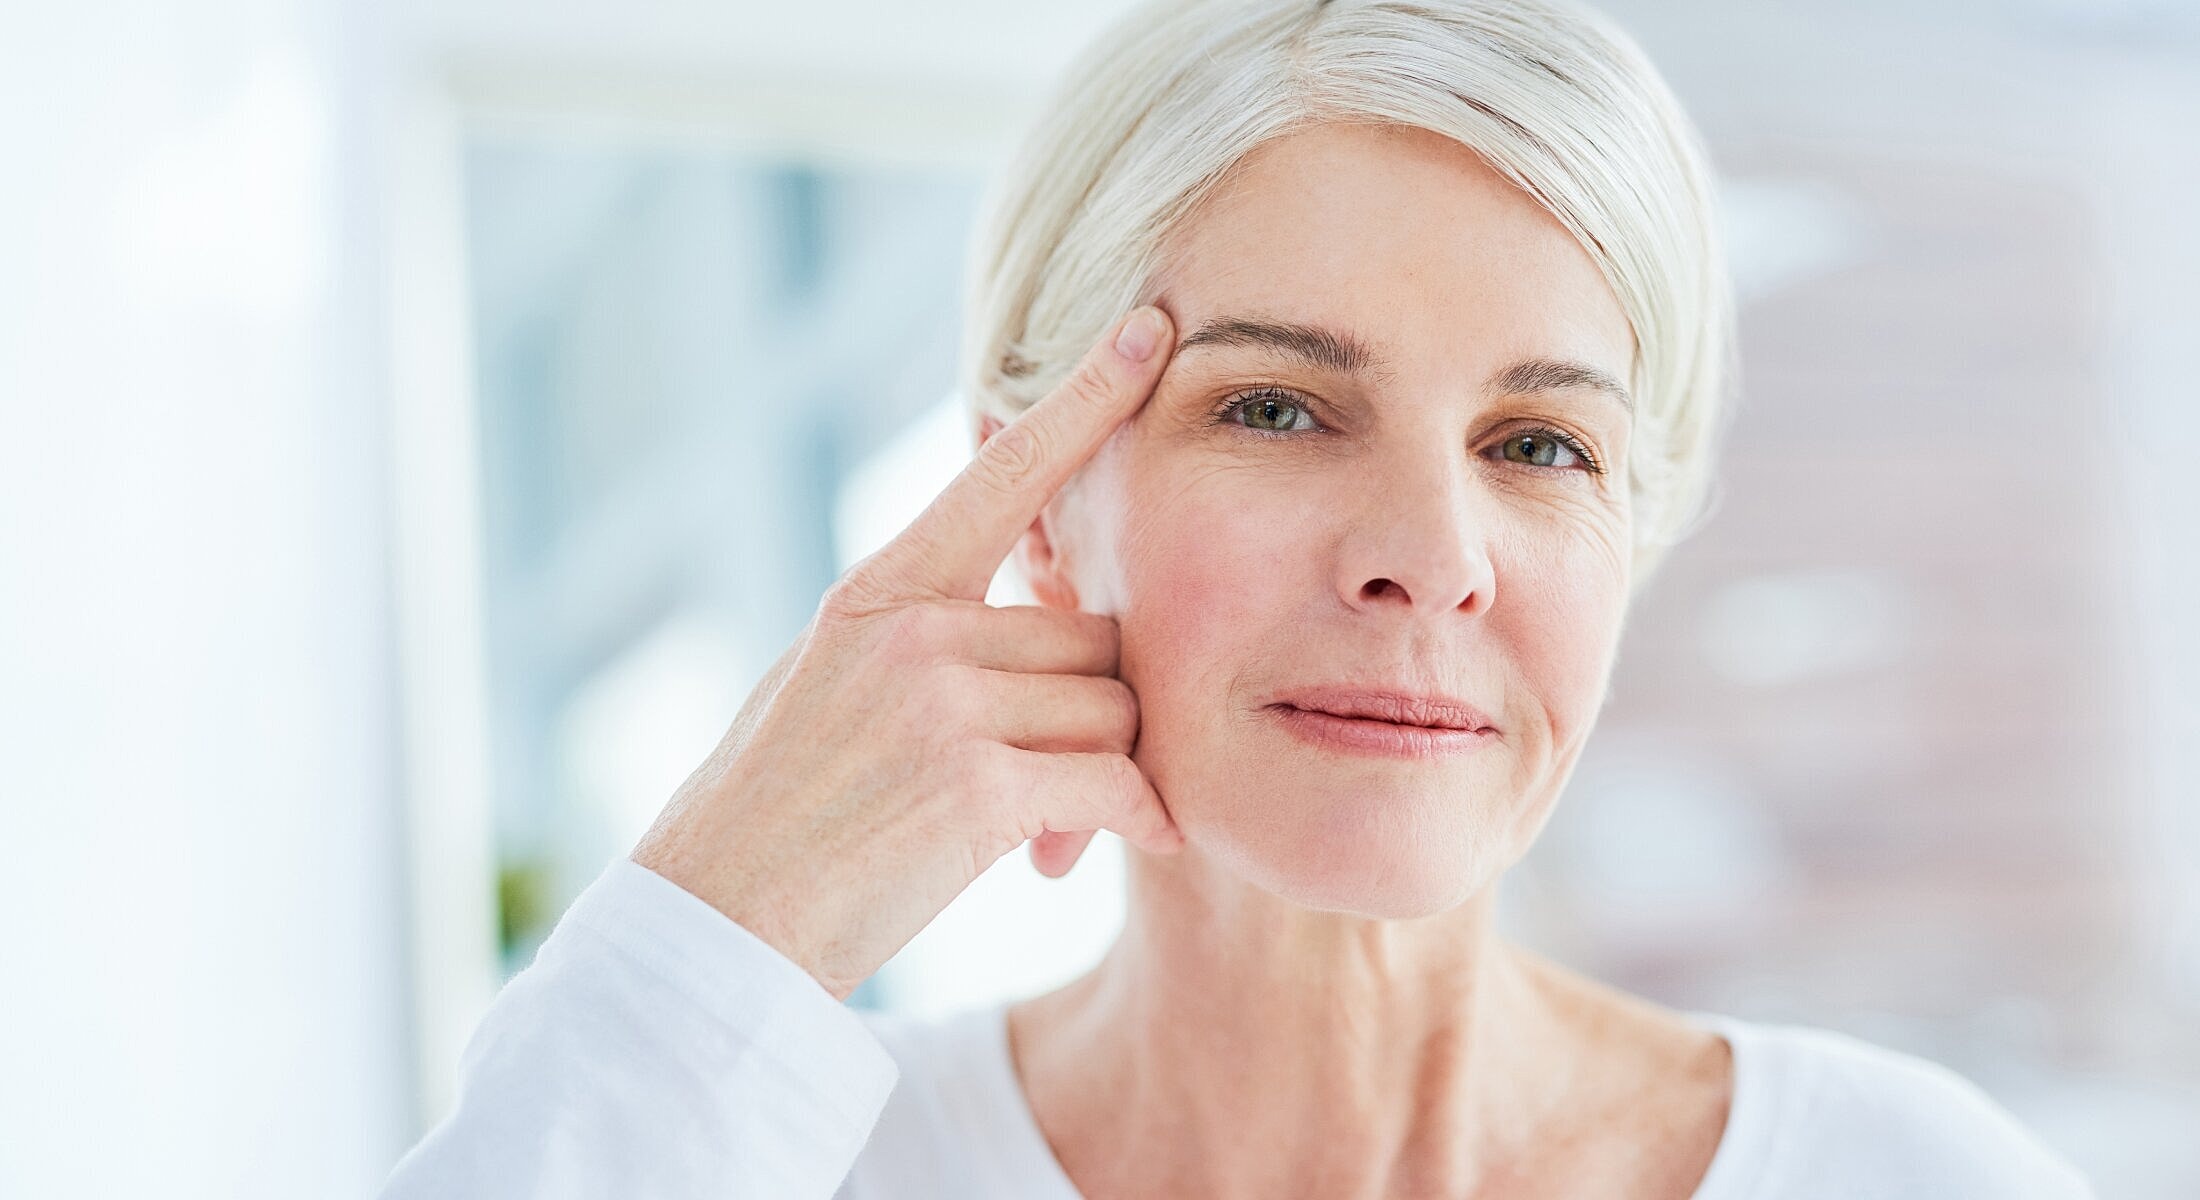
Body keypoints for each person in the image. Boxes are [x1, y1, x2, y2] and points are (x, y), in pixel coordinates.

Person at [380, 0, 2100, 1196]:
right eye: (1277, 407)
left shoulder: (1905, 1178)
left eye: (1539, 442)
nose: (1431, 552)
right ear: (1045, 502)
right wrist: (715, 936)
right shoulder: (774, 1171)